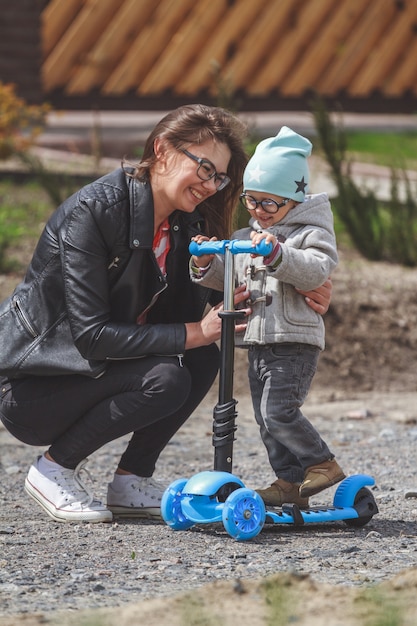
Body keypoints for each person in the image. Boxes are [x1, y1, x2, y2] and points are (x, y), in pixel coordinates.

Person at [0, 107, 331, 524]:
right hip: (36, 386)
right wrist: (198, 330)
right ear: (161, 149)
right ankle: (53, 469)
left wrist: (298, 280)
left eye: (219, 178)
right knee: (171, 373)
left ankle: (131, 479)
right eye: (205, 168)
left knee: (205, 356)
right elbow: (92, 337)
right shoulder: (94, 211)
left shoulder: (185, 224)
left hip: (101, 369)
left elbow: (204, 298)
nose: (210, 186)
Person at [190, 126, 345, 509]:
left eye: (269, 203)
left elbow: (315, 270)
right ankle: (289, 482)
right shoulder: (252, 233)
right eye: (251, 200)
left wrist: (278, 254)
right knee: (264, 420)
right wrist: (206, 260)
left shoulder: (309, 233)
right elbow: (228, 273)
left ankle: (323, 462)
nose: (259, 211)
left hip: (293, 341)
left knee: (278, 413)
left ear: (293, 199)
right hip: (259, 341)